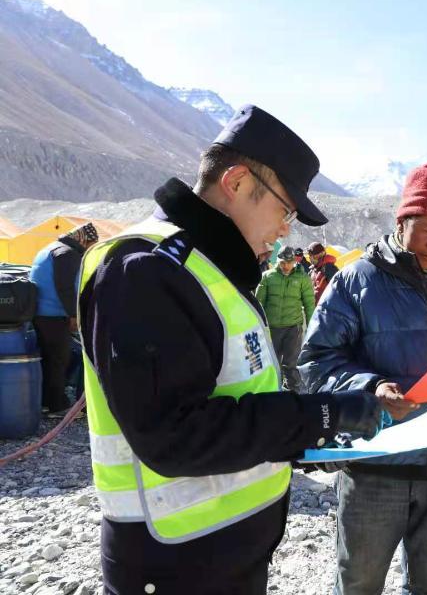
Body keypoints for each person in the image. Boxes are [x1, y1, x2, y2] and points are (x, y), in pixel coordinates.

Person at [77, 105, 383, 595]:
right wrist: (321, 415)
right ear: (237, 182)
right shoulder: (146, 270)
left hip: (222, 555)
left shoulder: (210, 270)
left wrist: (316, 439)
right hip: (173, 563)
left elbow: (242, 401)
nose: (285, 230)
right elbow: (175, 435)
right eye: (285, 210)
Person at [299, 161, 427, 595]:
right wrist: (371, 387)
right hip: (373, 468)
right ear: (402, 222)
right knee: (358, 584)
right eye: (426, 230)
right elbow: (317, 360)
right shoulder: (355, 282)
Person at [29, 222, 99, 416]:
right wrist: (74, 314)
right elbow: (65, 288)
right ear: (83, 240)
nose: (91, 249)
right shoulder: (67, 253)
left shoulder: (51, 248)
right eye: (91, 244)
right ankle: (57, 406)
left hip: (41, 314)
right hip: (53, 315)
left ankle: (46, 403)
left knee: (50, 360)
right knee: (58, 361)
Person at [255, 245, 316, 391]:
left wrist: (312, 328)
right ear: (278, 261)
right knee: (271, 363)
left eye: (290, 263)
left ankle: (292, 394)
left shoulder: (302, 278)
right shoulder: (267, 277)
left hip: (293, 328)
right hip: (272, 328)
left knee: (290, 365)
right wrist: (258, 327)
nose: (286, 266)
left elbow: (309, 304)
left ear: (294, 262)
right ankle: (272, 392)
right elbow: (258, 304)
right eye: (283, 263)